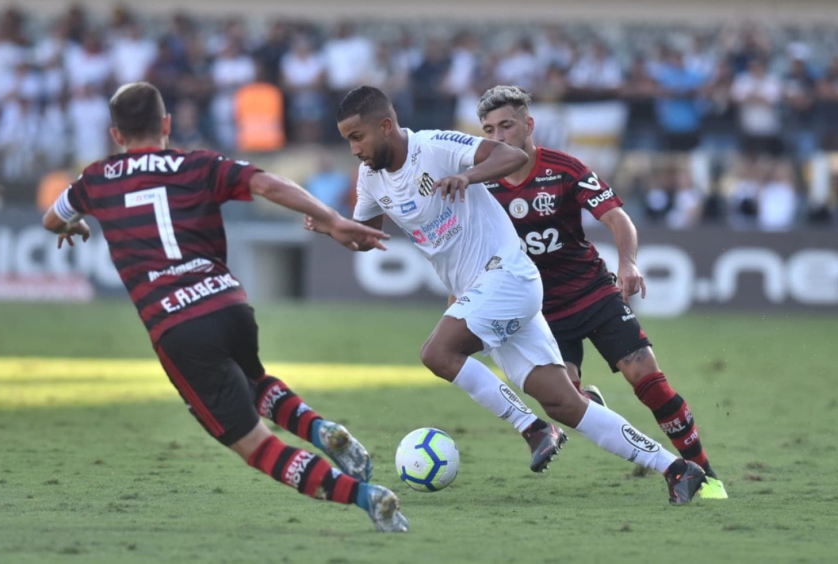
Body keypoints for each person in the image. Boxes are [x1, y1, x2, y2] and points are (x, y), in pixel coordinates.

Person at [308, 85, 707, 504]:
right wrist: (332, 226)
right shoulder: (371, 178)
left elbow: (511, 156)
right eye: (347, 140)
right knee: (566, 404)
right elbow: (365, 238)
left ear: (386, 126)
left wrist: (466, 175)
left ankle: (533, 428)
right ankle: (677, 469)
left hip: (508, 276)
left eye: (358, 137)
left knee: (437, 353)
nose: (354, 149)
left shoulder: (435, 146)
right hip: (484, 293)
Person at [41, 81, 408, 532]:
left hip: (177, 327)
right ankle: (319, 429)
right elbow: (268, 184)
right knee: (252, 381)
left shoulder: (96, 179)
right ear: (166, 125)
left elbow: (52, 218)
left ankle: (366, 497)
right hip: (229, 305)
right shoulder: (199, 164)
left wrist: (75, 224)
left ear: (115, 134)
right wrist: (332, 219)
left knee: (256, 446)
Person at [476, 84, 727, 500]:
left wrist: (628, 263)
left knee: (649, 382)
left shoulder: (564, 168)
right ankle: (589, 400)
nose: (499, 137)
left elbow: (618, 219)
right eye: (490, 130)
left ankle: (706, 475)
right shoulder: (483, 186)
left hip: (594, 294)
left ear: (529, 125)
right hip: (541, 311)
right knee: (565, 403)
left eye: (507, 126)